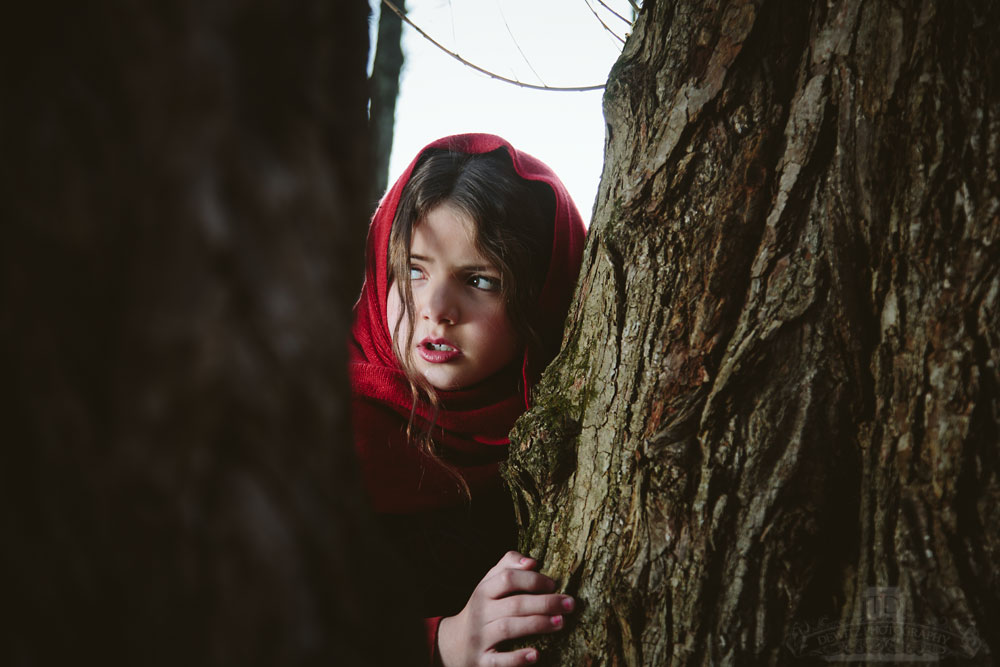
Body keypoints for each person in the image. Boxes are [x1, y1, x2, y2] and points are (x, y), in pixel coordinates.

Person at [350, 133, 586, 666]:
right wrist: (438, 643)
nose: (435, 308)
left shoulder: (567, 434)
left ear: (542, 297)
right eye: (414, 269)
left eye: (479, 279)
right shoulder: (316, 427)